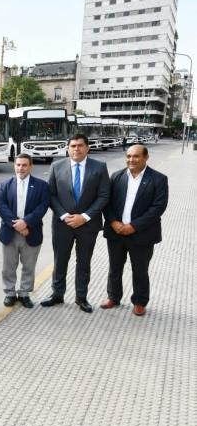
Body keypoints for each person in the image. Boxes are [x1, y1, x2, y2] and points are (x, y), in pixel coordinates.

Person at [41, 134, 110, 313]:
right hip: (62, 224)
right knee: (60, 260)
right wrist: (64, 215)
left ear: (87, 148)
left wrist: (85, 216)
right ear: (67, 148)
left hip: (88, 225)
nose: (76, 149)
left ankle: (81, 297)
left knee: (84, 262)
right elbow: (51, 194)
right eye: (73, 146)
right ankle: (57, 294)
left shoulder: (100, 167)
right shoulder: (57, 166)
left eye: (80, 145)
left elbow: (104, 195)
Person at [100, 145, 168, 316]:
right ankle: (113, 297)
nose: (132, 160)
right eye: (129, 156)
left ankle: (139, 301)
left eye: (136, 156)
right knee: (114, 268)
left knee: (140, 269)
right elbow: (106, 202)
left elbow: (158, 208)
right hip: (116, 232)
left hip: (142, 234)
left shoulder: (158, 179)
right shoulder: (117, 176)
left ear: (146, 157)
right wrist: (114, 222)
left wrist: (134, 226)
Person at [0, 154, 50, 309]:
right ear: (14, 166)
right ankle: (10, 293)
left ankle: (25, 293)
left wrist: (26, 223)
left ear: (30, 166)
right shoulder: (5, 185)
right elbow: (2, 206)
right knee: (8, 266)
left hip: (31, 232)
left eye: (24, 165)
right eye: (18, 165)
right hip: (10, 232)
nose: (21, 168)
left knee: (29, 266)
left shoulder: (41, 185)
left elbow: (43, 206)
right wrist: (17, 224)